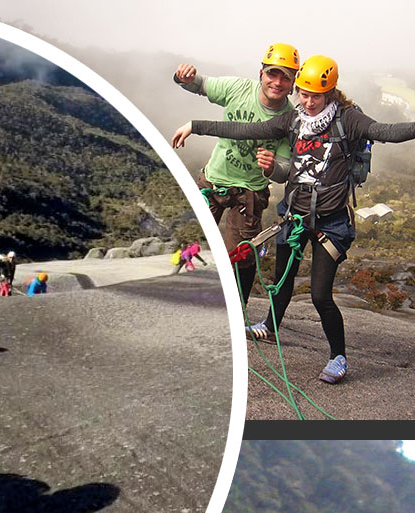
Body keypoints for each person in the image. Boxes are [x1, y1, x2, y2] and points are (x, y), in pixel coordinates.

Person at [173, 55, 415, 383]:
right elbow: (245, 130)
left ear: (330, 92)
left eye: (316, 95)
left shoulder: (349, 119)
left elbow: (385, 131)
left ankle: (338, 357)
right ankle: (270, 327)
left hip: (330, 224)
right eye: (303, 93)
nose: (309, 102)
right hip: (294, 215)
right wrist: (195, 126)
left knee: (319, 295)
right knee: (281, 281)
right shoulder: (294, 120)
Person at [174, 44, 298, 306]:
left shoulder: (290, 120)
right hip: (214, 180)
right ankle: (178, 296)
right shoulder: (238, 89)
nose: (277, 82)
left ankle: (237, 309)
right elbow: (200, 84)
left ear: (293, 82)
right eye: (272, 74)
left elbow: (284, 171)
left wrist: (271, 167)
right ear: (261, 73)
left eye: (285, 77)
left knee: (243, 256)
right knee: (193, 241)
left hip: (249, 193)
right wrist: (184, 77)